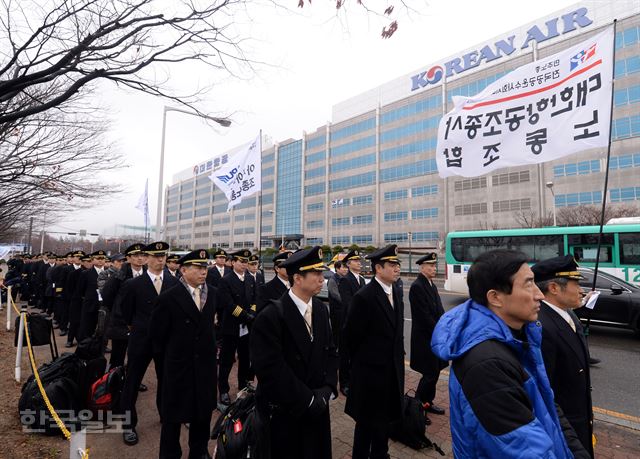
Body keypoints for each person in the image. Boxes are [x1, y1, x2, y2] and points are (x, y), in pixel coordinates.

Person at [431, 249, 589, 459]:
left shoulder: (520, 337)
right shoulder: (486, 364)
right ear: (495, 297)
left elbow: (547, 406)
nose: (539, 294)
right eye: (528, 284)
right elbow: (525, 450)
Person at [251, 246, 338, 459]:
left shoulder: (319, 308)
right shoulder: (271, 316)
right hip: (288, 411)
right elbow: (270, 370)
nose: (322, 279)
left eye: (322, 273)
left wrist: (327, 388)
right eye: (316, 273)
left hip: (318, 405)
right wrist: (307, 399)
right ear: (298, 278)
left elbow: (331, 351)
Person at [151, 249, 218, 459]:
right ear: (183, 270)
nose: (203, 272)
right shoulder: (169, 297)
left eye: (205, 267)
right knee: (173, 419)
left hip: (205, 367)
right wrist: (172, 361)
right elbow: (157, 337)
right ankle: (170, 454)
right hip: (179, 367)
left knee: (202, 415)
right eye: (198, 268)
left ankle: (199, 452)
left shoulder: (212, 293)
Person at [344, 245, 404, 459]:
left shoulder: (396, 291)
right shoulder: (365, 297)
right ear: (378, 268)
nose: (397, 268)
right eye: (392, 265)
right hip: (371, 374)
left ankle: (381, 453)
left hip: (392, 371)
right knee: (366, 423)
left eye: (397, 264)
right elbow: (350, 338)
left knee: (385, 420)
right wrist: (365, 365)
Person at [532, 255, 595, 457]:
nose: (580, 290)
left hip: (580, 419)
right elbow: (545, 392)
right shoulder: (542, 326)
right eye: (575, 283)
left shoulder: (567, 314)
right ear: (554, 288)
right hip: (564, 428)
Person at [119, 242, 179, 446]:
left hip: (165, 340)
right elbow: (126, 312)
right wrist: (137, 326)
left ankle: (166, 414)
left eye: (163, 256)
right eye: (155, 256)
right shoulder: (133, 284)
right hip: (141, 339)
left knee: (167, 380)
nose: (160, 260)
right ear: (146, 258)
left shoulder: (173, 282)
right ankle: (128, 424)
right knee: (132, 382)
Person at [409, 252, 448, 425]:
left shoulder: (430, 284)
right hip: (425, 338)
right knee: (429, 373)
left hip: (435, 336)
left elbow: (439, 309)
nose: (434, 268)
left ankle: (427, 402)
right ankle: (417, 407)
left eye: (434, 265)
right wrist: (440, 329)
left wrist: (445, 325)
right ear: (422, 267)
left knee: (435, 371)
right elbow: (423, 316)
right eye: (431, 266)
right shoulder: (417, 286)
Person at [217, 249, 257, 407]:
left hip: (247, 327)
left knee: (245, 359)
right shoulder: (226, 280)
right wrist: (246, 316)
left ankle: (243, 386)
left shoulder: (250, 279)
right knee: (226, 360)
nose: (244, 265)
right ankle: (224, 390)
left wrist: (253, 311)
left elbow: (254, 298)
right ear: (233, 262)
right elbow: (228, 304)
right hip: (231, 326)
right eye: (241, 261)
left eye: (246, 262)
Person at [103, 244, 147, 372]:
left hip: (142, 322)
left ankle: (133, 379)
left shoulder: (149, 274)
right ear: (128, 258)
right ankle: (116, 380)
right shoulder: (119, 275)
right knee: (118, 355)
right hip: (121, 323)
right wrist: (119, 311)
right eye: (136, 255)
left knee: (138, 355)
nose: (140, 258)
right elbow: (107, 296)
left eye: (143, 255)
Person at [337, 249, 366, 396]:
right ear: (348, 264)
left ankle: (354, 380)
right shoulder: (345, 280)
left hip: (360, 324)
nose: (359, 263)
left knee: (356, 355)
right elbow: (348, 304)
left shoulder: (361, 279)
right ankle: (344, 384)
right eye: (355, 261)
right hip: (349, 324)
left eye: (359, 260)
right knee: (346, 356)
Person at [77, 250, 107, 340]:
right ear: (92, 260)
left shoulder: (110, 273)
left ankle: (101, 347)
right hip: (90, 305)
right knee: (88, 328)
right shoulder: (86, 273)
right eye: (98, 258)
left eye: (102, 258)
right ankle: (87, 346)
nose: (100, 260)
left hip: (105, 305)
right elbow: (80, 290)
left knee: (104, 329)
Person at [327, 260, 348, 349]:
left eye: (346, 267)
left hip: (344, 309)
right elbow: (335, 295)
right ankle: (335, 348)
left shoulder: (345, 278)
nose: (345, 269)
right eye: (343, 267)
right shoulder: (333, 280)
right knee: (337, 330)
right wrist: (347, 302)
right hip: (337, 310)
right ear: (337, 269)